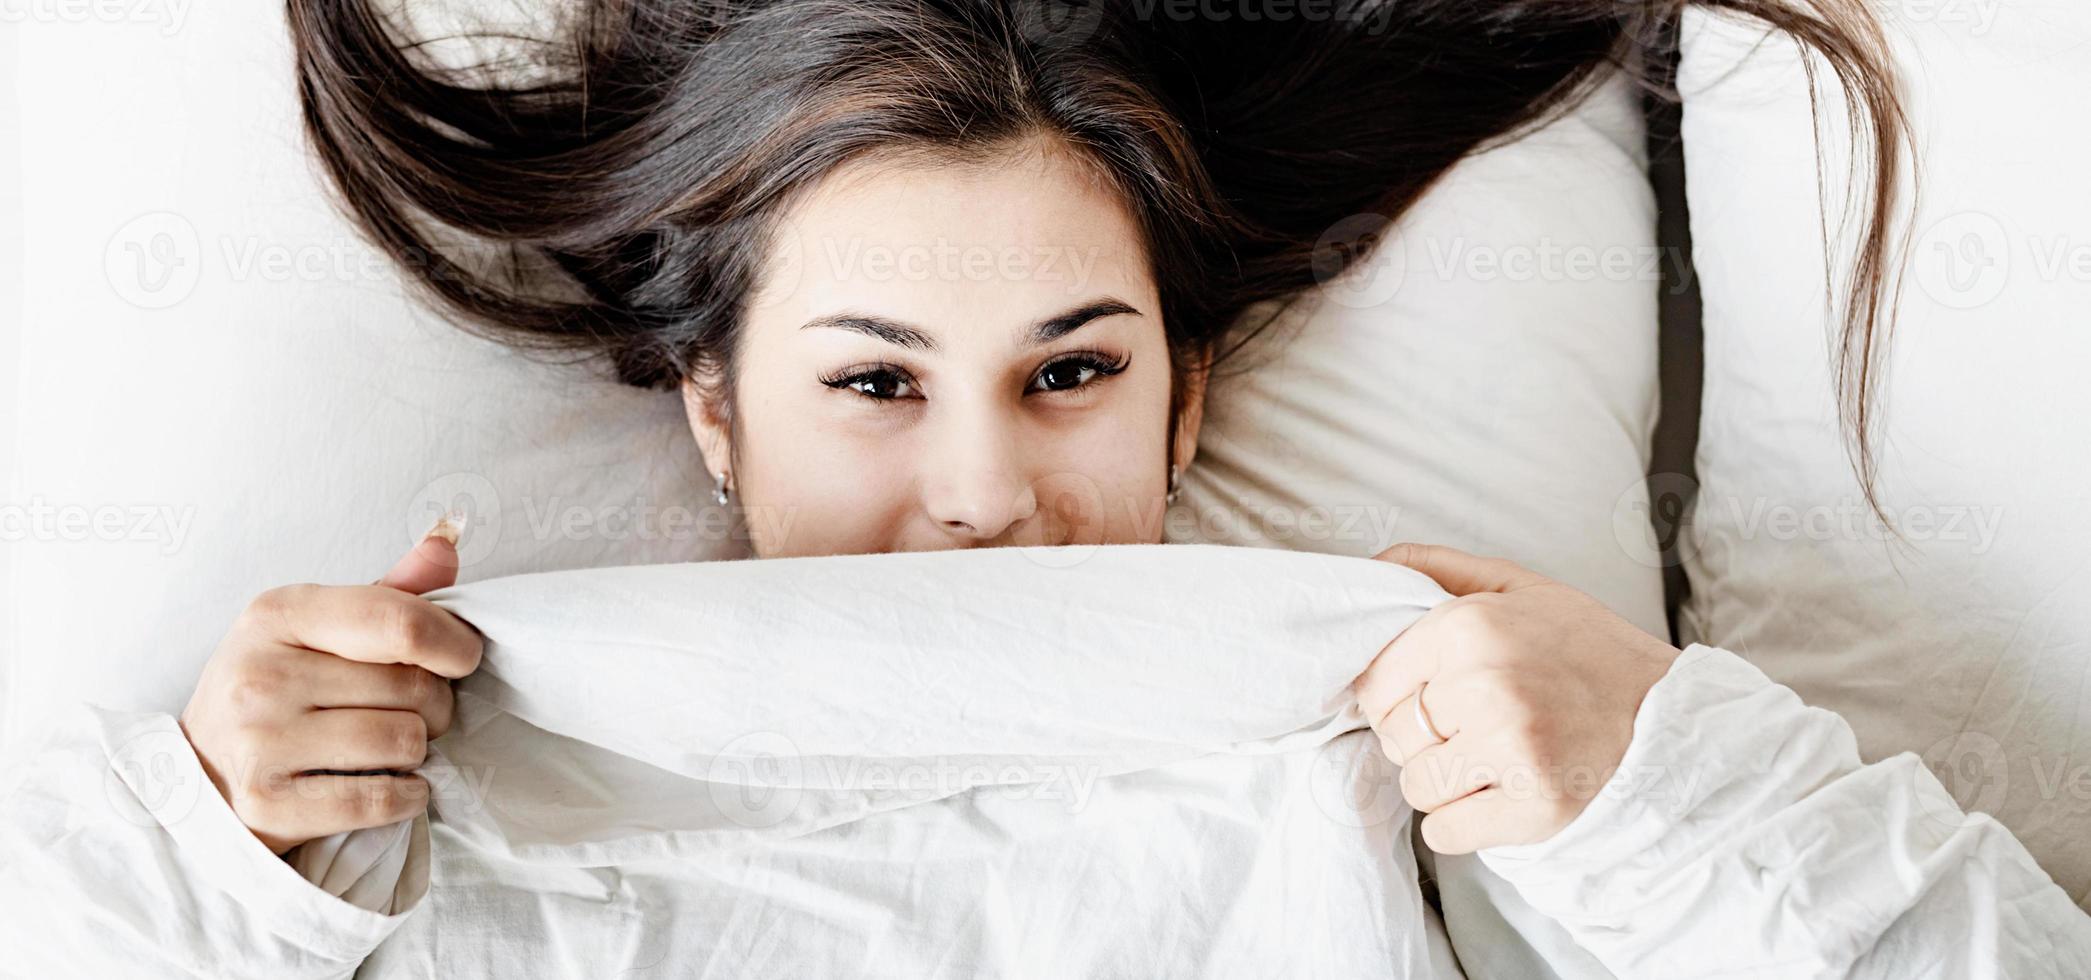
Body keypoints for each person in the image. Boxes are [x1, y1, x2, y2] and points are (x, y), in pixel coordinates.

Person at [10, 0, 2087, 976]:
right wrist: (199, 847)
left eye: (1071, 373)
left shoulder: (1390, 752)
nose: (983, 492)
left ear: (1185, 410)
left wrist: (1665, 789)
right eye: (875, 385)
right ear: (713, 416)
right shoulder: (414, 794)